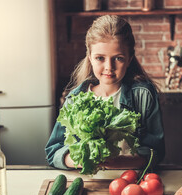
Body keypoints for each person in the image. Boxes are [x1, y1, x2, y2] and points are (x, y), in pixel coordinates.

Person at [45, 15, 165, 170]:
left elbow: (156, 152)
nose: (109, 67)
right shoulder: (75, 98)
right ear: (90, 58)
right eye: (100, 58)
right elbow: (53, 151)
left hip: (130, 182)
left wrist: (118, 162)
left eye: (118, 58)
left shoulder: (143, 96)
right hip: (89, 182)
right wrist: (79, 160)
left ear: (129, 59)